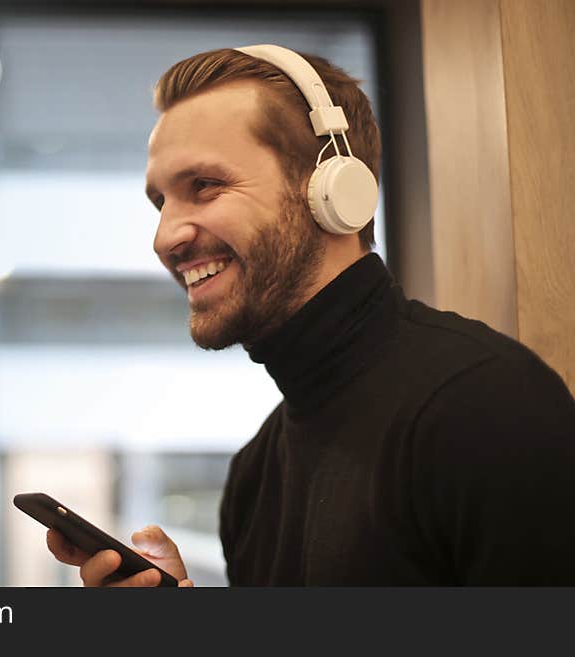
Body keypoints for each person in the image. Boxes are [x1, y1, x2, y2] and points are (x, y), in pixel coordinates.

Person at [46, 45, 575, 586]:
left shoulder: (484, 403)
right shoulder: (254, 477)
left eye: (204, 186)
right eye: (162, 203)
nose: (165, 238)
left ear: (334, 190)